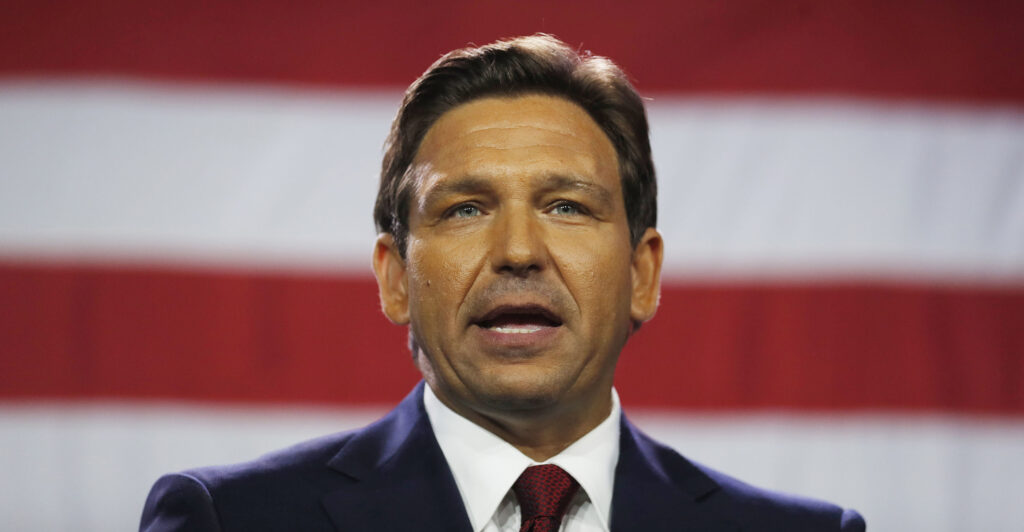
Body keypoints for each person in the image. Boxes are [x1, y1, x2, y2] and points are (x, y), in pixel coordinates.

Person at [141, 34, 865, 532]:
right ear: (395, 278)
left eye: (567, 206)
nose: (518, 251)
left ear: (642, 273)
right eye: (465, 209)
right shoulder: (231, 520)